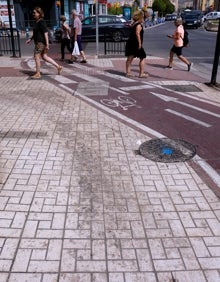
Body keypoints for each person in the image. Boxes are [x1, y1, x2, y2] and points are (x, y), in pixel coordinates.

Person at [26, 7, 62, 79]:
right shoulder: (37, 21)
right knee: (44, 57)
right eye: (33, 13)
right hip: (40, 42)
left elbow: (45, 33)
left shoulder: (41, 21)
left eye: (35, 13)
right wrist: (30, 38)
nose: (33, 14)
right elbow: (36, 33)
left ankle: (38, 73)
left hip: (40, 42)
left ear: (39, 13)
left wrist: (47, 44)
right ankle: (58, 67)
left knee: (36, 56)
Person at [125, 10, 148, 78]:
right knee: (143, 57)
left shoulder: (134, 24)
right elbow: (137, 34)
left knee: (130, 58)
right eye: (143, 17)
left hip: (130, 43)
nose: (143, 19)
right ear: (140, 17)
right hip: (136, 44)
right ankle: (141, 73)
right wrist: (140, 44)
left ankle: (128, 73)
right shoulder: (138, 25)